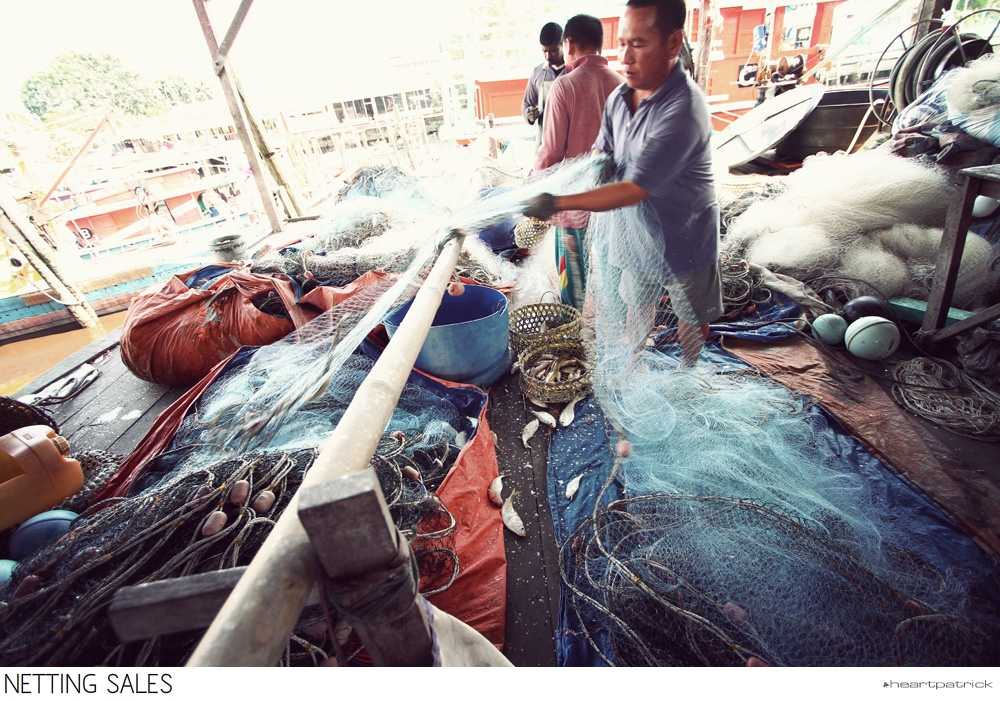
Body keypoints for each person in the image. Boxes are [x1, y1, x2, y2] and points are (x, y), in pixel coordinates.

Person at [523, 0, 721, 367]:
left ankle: (688, 371)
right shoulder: (619, 95)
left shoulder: (683, 109)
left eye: (639, 44)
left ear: (674, 43)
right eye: (623, 43)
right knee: (637, 302)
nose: (626, 58)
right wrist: (550, 181)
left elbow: (633, 187)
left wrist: (559, 202)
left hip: (686, 232)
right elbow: (603, 155)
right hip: (636, 229)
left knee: (690, 314)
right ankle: (632, 365)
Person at [533, 14, 624, 310]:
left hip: (573, 205)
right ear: (599, 43)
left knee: (572, 283)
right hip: (615, 205)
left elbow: (551, 153)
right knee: (614, 280)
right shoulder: (623, 86)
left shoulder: (564, 87)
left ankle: (574, 338)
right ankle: (615, 339)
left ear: (568, 43)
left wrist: (536, 190)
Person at [522, 22, 566, 149]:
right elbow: (526, 104)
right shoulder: (537, 73)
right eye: (544, 51)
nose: (548, 56)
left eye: (553, 51)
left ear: (563, 44)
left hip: (568, 144)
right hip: (544, 143)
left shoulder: (573, 71)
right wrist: (528, 114)